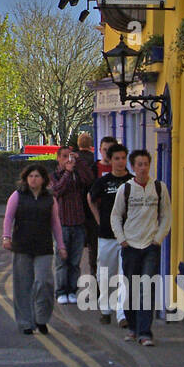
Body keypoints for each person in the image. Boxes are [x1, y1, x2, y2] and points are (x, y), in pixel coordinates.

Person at [110, 148, 172, 347]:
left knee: (147, 288)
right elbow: (116, 216)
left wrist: (158, 239)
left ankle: (145, 332)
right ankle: (133, 328)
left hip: (150, 246)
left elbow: (166, 216)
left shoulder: (160, 188)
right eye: (139, 164)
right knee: (131, 288)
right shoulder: (125, 189)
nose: (143, 168)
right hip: (130, 246)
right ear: (133, 166)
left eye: (146, 164)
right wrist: (122, 240)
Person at [2, 164, 68, 335]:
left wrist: (61, 246)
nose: (33, 179)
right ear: (25, 179)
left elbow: (55, 224)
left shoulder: (50, 199)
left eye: (37, 176)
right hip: (22, 246)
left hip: (43, 247)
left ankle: (41, 318)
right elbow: (9, 218)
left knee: (44, 282)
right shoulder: (17, 196)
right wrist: (6, 237)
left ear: (44, 179)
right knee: (23, 285)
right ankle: (25, 322)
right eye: (30, 176)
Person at [87, 142, 132, 326]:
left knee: (124, 275)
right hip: (106, 235)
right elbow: (90, 198)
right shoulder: (103, 182)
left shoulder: (132, 181)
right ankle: (105, 309)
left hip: (127, 237)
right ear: (111, 160)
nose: (120, 162)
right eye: (117, 158)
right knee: (105, 273)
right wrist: (98, 219)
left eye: (123, 158)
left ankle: (122, 314)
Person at [49, 146, 90, 304]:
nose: (68, 160)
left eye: (70, 156)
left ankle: (72, 290)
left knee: (75, 261)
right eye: (64, 156)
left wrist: (79, 162)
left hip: (78, 222)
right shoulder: (54, 176)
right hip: (62, 224)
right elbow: (57, 190)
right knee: (61, 261)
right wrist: (67, 173)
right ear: (58, 158)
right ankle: (61, 291)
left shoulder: (77, 175)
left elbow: (89, 179)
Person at [75, 133, 99, 269]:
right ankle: (93, 268)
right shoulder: (94, 160)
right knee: (93, 242)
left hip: (78, 203)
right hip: (91, 202)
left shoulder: (74, 159)